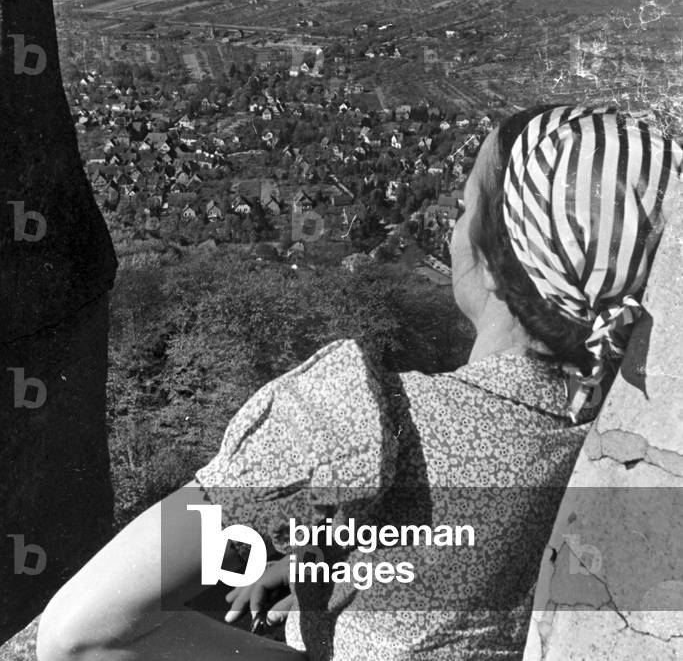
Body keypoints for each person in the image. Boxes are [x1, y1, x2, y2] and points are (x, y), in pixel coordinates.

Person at [36, 105, 682, 661]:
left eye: (463, 210)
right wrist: (333, 565)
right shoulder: (608, 434)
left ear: (492, 260)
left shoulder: (358, 420)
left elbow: (81, 634)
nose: (452, 226)